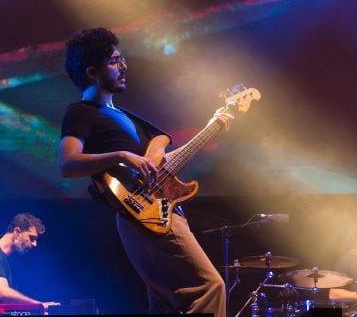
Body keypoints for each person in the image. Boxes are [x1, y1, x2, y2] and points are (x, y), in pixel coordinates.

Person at [58, 27, 230, 317]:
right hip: (142, 216)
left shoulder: (126, 116)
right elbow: (67, 163)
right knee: (208, 288)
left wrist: (211, 125)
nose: (123, 66)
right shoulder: (82, 111)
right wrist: (123, 156)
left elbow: (161, 142)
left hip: (160, 211)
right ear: (92, 72)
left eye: (121, 59)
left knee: (165, 304)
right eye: (114, 61)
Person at [0, 213, 58, 309]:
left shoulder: (8, 259)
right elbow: (2, 292)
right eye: (31, 238)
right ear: (17, 232)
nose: (35, 244)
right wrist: (39, 306)